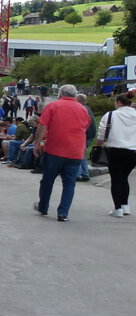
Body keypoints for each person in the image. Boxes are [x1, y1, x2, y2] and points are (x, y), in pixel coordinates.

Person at [32, 84, 93, 222]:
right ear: (75, 94)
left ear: (60, 94)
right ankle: (63, 213)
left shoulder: (53, 106)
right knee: (69, 183)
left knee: (47, 180)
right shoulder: (83, 109)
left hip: (55, 149)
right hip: (76, 151)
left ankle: (43, 207)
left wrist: (37, 143)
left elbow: (43, 126)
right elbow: (86, 126)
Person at [98, 93, 136, 217]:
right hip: (133, 151)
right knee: (124, 177)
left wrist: (99, 144)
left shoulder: (110, 115)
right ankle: (125, 206)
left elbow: (102, 132)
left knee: (116, 179)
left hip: (115, 150)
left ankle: (118, 208)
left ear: (119, 102)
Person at [75, 93, 96, 182]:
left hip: (84, 136)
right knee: (83, 155)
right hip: (90, 136)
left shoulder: (81, 109)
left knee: (77, 154)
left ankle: (78, 174)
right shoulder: (88, 109)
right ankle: (85, 173)